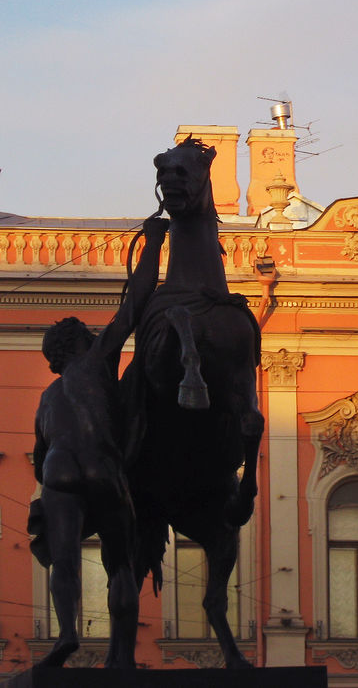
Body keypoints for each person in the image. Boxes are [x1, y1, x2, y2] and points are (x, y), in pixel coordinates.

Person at [29, 216, 168, 668]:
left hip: (59, 470)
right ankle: (121, 658)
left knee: (64, 559)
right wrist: (154, 242)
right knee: (120, 563)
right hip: (102, 468)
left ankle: (67, 634)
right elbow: (136, 301)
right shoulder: (98, 360)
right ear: (80, 344)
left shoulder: (47, 399)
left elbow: (38, 460)